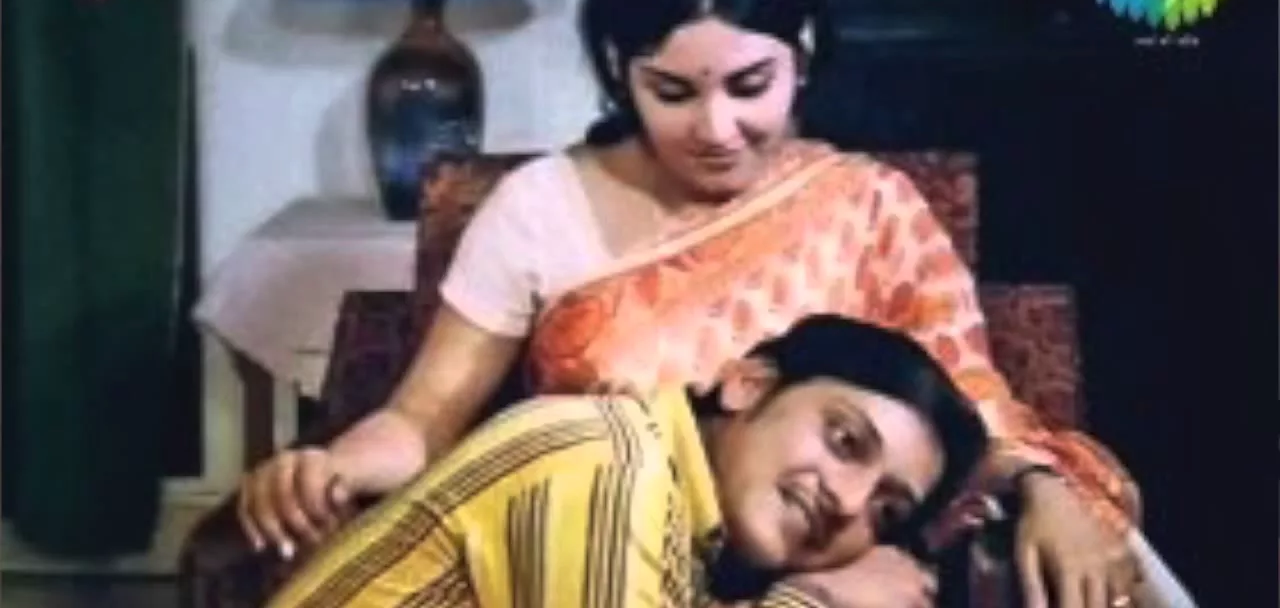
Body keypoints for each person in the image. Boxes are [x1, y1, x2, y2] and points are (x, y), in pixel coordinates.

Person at [239, 0, 1159, 608]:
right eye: (673, 91)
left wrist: (1047, 492)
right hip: (593, 555)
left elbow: (959, 414)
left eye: (751, 85)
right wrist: (334, 470)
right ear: (618, 69)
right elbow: (422, 420)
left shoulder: (868, 208)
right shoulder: (542, 212)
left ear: (803, 55)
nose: (717, 129)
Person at [265, 315, 990, 608]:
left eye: (886, 511)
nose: (848, 502)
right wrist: (820, 602)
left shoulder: (685, 523)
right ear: (747, 384)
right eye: (844, 441)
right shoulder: (612, 465)